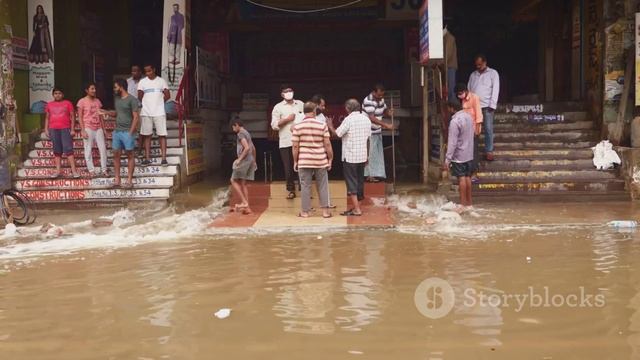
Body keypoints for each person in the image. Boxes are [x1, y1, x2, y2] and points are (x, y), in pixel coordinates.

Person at [291, 102, 333, 219]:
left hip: (304, 160)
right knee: (323, 186)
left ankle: (305, 212)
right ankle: (325, 212)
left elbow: (295, 146)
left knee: (305, 186)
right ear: (314, 111)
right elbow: (327, 144)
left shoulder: (297, 127)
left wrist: (295, 161)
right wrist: (330, 158)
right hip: (320, 160)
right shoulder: (322, 125)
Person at [100, 79, 140, 188]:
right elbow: (117, 113)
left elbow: (136, 117)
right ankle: (117, 180)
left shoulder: (132, 100)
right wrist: (105, 112)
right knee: (116, 155)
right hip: (117, 131)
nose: (114, 89)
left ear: (121, 87)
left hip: (127, 131)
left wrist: (130, 132)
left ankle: (129, 181)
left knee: (130, 155)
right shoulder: (117, 99)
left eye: (115, 87)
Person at [335, 99, 371, 217]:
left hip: (350, 156)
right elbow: (368, 139)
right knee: (360, 182)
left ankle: (357, 210)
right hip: (362, 156)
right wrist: (367, 156)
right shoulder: (366, 119)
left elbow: (338, 134)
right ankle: (357, 207)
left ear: (347, 108)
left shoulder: (348, 119)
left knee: (351, 183)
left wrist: (330, 126)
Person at [271, 84, 304, 199]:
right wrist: (286, 120)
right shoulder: (278, 107)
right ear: (282, 94)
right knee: (288, 167)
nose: (289, 92)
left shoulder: (300, 104)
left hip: (301, 140)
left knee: (302, 165)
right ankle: (291, 190)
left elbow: (307, 118)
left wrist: (297, 124)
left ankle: (304, 189)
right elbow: (274, 125)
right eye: (286, 91)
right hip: (286, 142)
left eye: (290, 90)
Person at [468, 54, 500, 161]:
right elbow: (469, 90)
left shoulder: (493, 73)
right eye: (476, 65)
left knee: (488, 128)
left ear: (485, 62)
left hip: (487, 106)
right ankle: (472, 151)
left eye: (480, 64)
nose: (478, 67)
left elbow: (495, 89)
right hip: (474, 107)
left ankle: (489, 151)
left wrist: (492, 104)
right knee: (474, 130)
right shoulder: (473, 75)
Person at [444, 101, 475, 211]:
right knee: (467, 178)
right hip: (469, 153)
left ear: (452, 108)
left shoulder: (455, 121)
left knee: (461, 178)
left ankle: (462, 204)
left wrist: (447, 159)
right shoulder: (469, 117)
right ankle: (469, 204)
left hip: (459, 155)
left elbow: (452, 142)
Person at [137, 64, 170, 167]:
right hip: (146, 112)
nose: (148, 73)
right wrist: (147, 103)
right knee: (147, 135)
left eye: (150, 71)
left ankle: (164, 159)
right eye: (146, 71)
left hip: (159, 112)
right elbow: (139, 96)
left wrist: (159, 102)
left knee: (162, 135)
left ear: (154, 70)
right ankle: (147, 158)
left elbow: (168, 95)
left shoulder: (161, 81)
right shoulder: (142, 82)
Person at [44, 87, 80, 179]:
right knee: (57, 151)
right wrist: (46, 129)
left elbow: (73, 117)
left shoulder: (68, 103)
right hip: (53, 129)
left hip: (65, 129)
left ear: (63, 95)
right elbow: (47, 117)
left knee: (69, 150)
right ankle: (58, 171)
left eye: (59, 93)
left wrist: (72, 129)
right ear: (53, 95)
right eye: (55, 93)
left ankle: (74, 171)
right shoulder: (49, 104)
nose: (57, 95)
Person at [362, 83, 394, 183]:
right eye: (378, 95)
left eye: (382, 95)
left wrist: (388, 112)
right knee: (369, 154)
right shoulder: (368, 101)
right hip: (369, 132)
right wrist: (386, 125)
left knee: (377, 154)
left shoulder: (381, 100)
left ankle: (376, 174)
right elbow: (372, 118)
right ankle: (368, 175)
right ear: (373, 92)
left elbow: (384, 111)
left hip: (377, 131)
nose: (380, 97)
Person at [77, 82, 108, 176]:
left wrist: (104, 128)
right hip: (88, 127)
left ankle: (104, 169)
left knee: (103, 149)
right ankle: (91, 170)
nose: (94, 91)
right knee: (88, 149)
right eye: (92, 89)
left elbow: (101, 116)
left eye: (95, 89)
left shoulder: (98, 101)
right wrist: (82, 130)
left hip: (98, 127)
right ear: (87, 90)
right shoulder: (81, 101)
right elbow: (80, 117)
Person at [455, 83, 483, 182]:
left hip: (473, 129)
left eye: (461, 93)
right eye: (458, 94)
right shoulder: (461, 100)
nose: (460, 95)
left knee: (473, 152)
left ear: (466, 91)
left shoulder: (474, 98)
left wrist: (477, 129)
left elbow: (479, 114)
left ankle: (474, 174)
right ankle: (467, 173)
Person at [231, 118, 257, 215]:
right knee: (243, 183)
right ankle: (247, 208)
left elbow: (246, 148)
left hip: (244, 160)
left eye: (233, 127)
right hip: (250, 160)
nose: (233, 129)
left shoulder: (240, 134)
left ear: (237, 125)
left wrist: (239, 160)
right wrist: (254, 161)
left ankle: (244, 202)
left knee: (233, 180)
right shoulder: (247, 133)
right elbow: (253, 148)